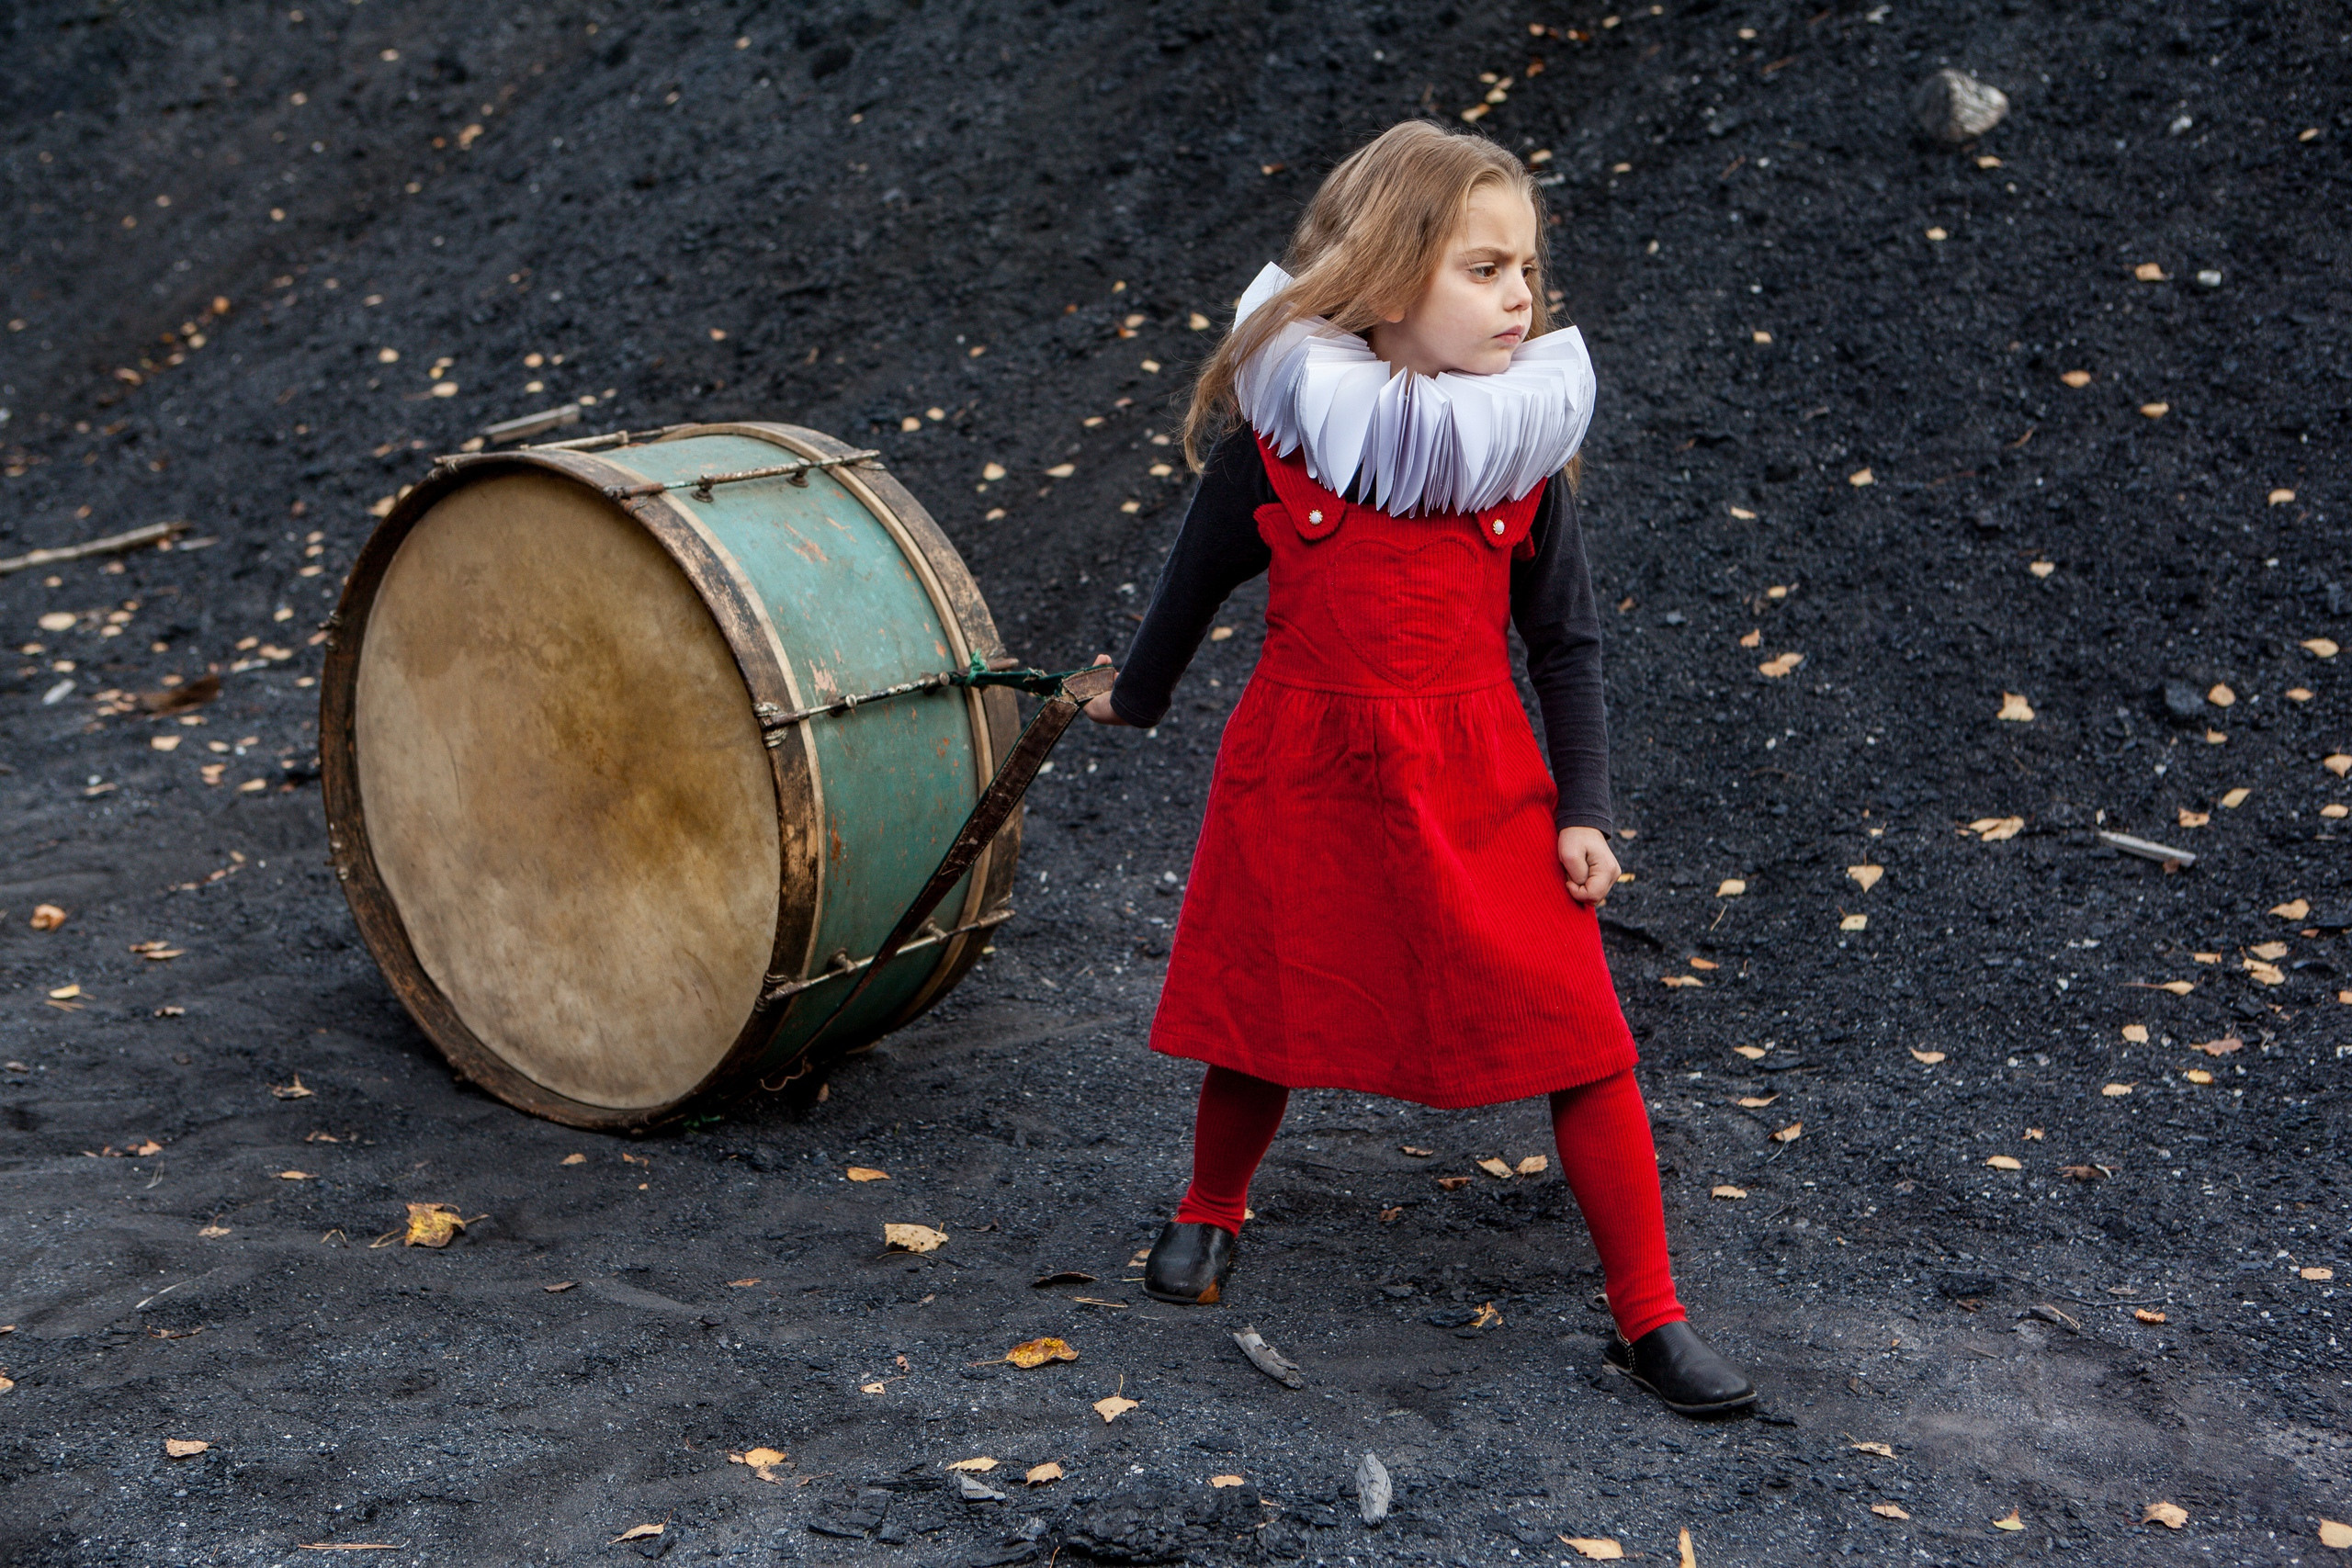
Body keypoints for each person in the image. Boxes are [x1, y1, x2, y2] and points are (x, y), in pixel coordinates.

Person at [1080, 120, 1755, 1416]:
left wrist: (1590, 810)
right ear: (1390, 286)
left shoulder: (1521, 463)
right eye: (1487, 270)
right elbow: (1191, 587)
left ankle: (1651, 1313)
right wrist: (1139, 695)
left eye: (1528, 274)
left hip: (1479, 782)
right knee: (1266, 1007)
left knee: (1584, 1036)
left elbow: (1566, 647)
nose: (1521, 300)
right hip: (1305, 768)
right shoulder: (1283, 446)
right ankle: (1212, 1207)